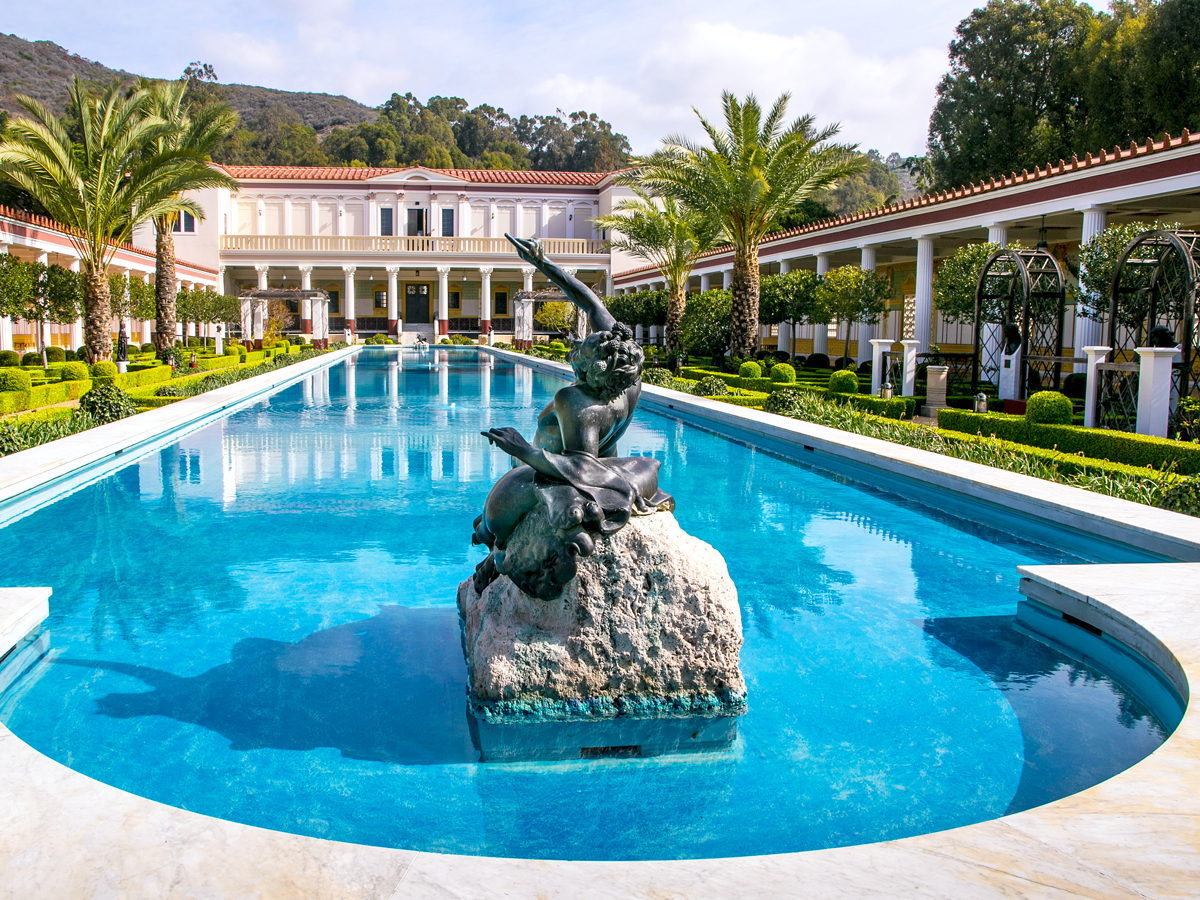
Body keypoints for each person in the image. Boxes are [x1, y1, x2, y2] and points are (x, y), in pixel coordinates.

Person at [472, 235, 672, 599]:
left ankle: (502, 556)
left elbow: (581, 467)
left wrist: (522, 449)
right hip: (593, 464)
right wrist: (542, 263)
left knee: (499, 513)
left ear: (594, 371)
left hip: (546, 470)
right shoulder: (626, 373)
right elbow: (589, 299)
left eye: (586, 346)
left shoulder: (577, 401)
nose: (580, 342)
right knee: (644, 467)